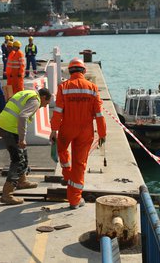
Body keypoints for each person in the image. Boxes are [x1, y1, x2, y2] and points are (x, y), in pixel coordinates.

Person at [50, 58, 106, 210]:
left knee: (61, 151)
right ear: (84, 71)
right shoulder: (93, 88)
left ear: (69, 71)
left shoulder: (63, 87)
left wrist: (54, 130)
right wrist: (102, 134)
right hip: (85, 130)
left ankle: (67, 175)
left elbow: (58, 111)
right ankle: (74, 200)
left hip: (66, 128)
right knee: (80, 165)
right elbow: (99, 114)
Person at [0, 88, 52, 205]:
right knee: (18, 160)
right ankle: (7, 194)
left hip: (3, 124)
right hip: (10, 129)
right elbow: (23, 116)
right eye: (47, 103)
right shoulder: (36, 101)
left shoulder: (27, 93)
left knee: (23, 153)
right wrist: (22, 138)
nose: (46, 106)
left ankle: (22, 181)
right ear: (43, 97)